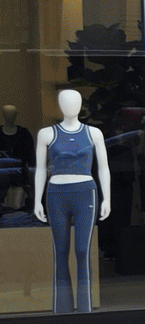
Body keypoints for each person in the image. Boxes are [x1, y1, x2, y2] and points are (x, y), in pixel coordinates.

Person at [33, 89, 111, 312]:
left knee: (82, 250)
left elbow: (103, 168)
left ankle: (85, 308)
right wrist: (37, 200)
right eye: (66, 101)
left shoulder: (93, 133)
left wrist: (107, 198)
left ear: (81, 104)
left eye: (75, 101)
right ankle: (62, 310)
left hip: (86, 192)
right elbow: (40, 169)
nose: (71, 105)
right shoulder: (47, 134)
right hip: (56, 194)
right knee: (60, 251)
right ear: (59, 105)